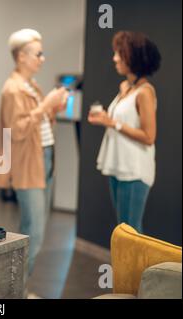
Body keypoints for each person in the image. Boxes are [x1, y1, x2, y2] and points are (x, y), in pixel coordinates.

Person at [0, 29, 68, 275]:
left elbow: (37, 124)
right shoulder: (13, 89)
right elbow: (17, 130)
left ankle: (19, 289)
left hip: (43, 159)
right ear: (21, 57)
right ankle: (18, 291)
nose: (42, 58)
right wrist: (46, 105)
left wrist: (53, 108)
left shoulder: (31, 85)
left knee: (35, 229)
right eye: (39, 54)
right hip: (29, 165)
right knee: (33, 231)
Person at [88, 31, 161, 233]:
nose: (115, 58)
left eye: (120, 53)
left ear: (134, 57)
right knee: (123, 228)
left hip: (134, 170)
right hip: (119, 165)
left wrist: (113, 123)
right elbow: (121, 120)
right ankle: (123, 266)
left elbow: (149, 136)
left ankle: (132, 267)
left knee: (131, 232)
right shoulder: (125, 87)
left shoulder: (145, 92)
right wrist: (105, 119)